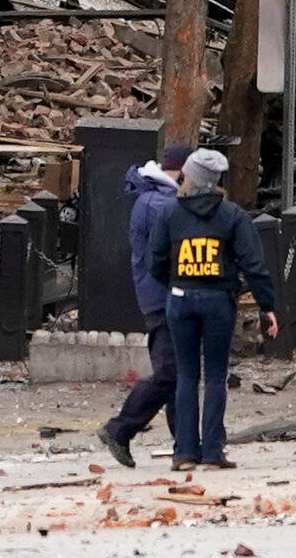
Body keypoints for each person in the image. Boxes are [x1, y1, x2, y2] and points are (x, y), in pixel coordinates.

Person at [146, 147, 280, 469]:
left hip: (180, 299)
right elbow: (253, 264)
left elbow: (155, 261)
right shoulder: (233, 216)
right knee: (216, 375)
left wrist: (175, 284)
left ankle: (185, 453)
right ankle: (213, 453)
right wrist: (267, 305)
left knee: (186, 376)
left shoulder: (170, 213)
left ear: (188, 177)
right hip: (219, 302)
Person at [95, 140, 192, 468]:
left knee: (178, 373)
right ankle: (120, 429)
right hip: (165, 299)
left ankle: (186, 446)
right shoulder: (160, 204)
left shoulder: (154, 199)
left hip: (162, 297)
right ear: (182, 171)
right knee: (170, 373)